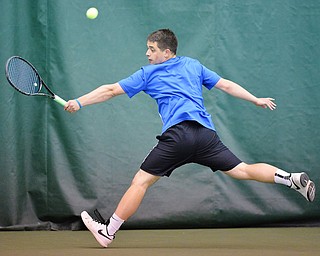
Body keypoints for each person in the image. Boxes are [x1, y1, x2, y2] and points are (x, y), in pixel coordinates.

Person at [64, 28, 316, 248]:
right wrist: (255, 99)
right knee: (243, 170)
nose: (147, 54)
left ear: (167, 52)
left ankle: (108, 231)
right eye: (147, 49)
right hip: (205, 136)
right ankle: (290, 178)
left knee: (140, 182)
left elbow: (110, 90)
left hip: (179, 135)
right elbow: (226, 85)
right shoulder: (193, 65)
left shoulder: (147, 74)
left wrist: (78, 102)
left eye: (151, 49)